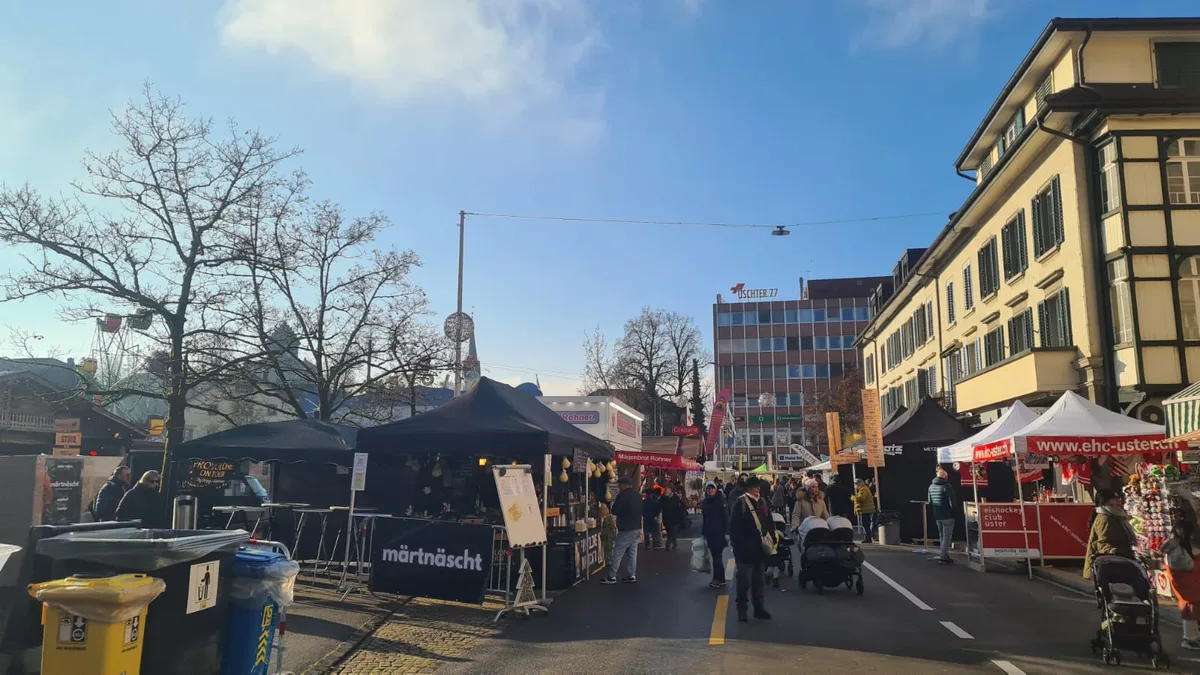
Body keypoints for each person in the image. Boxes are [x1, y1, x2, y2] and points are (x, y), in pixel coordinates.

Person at [729, 477, 773, 621]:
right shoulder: (740, 503)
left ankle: (759, 609)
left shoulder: (762, 501)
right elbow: (734, 528)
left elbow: (768, 521)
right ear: (748, 488)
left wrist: (772, 537)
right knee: (744, 582)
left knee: (759, 581)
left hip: (759, 549)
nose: (757, 489)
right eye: (755, 486)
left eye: (758, 486)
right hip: (745, 550)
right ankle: (742, 609)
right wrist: (738, 548)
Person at [1083, 488, 1136, 580]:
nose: (1118, 501)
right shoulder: (1105, 518)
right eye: (1114, 498)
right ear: (1105, 502)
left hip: (1117, 562)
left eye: (1118, 498)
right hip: (1111, 565)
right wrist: (1118, 554)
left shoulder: (1116, 515)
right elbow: (1104, 544)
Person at [602, 477, 644, 584]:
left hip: (626, 528)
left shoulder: (622, 496)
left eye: (619, 485)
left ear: (624, 485)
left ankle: (612, 576)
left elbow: (615, 510)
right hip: (637, 527)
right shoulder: (638, 495)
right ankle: (631, 575)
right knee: (632, 552)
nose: (618, 487)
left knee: (618, 552)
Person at [701, 481, 729, 588]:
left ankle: (717, 579)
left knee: (717, 557)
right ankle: (720, 579)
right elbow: (705, 519)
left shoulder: (721, 501)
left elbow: (726, 517)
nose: (710, 490)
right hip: (710, 533)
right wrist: (703, 533)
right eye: (708, 489)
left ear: (716, 489)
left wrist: (727, 533)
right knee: (716, 557)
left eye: (712, 488)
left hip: (719, 533)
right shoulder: (705, 502)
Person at [928, 467, 958, 564]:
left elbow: (930, 501)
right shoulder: (947, 487)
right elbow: (952, 503)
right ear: (945, 477)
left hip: (937, 515)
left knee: (942, 535)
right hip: (948, 515)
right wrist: (955, 513)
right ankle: (943, 556)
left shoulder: (931, 487)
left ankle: (944, 554)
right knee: (947, 537)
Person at [661, 485, 686, 551]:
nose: (666, 490)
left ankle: (668, 545)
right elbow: (660, 506)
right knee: (669, 531)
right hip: (666, 518)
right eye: (665, 489)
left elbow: (681, 505)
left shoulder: (675, 497)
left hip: (675, 517)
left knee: (672, 532)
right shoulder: (663, 498)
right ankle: (675, 543)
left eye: (667, 489)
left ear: (670, 489)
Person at [852, 477, 877, 543]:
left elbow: (861, 499)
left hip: (866, 510)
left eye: (856, 484)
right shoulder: (864, 489)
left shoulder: (863, 489)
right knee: (866, 524)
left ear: (859, 483)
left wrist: (853, 497)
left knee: (865, 524)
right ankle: (868, 537)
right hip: (866, 509)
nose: (855, 485)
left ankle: (868, 537)